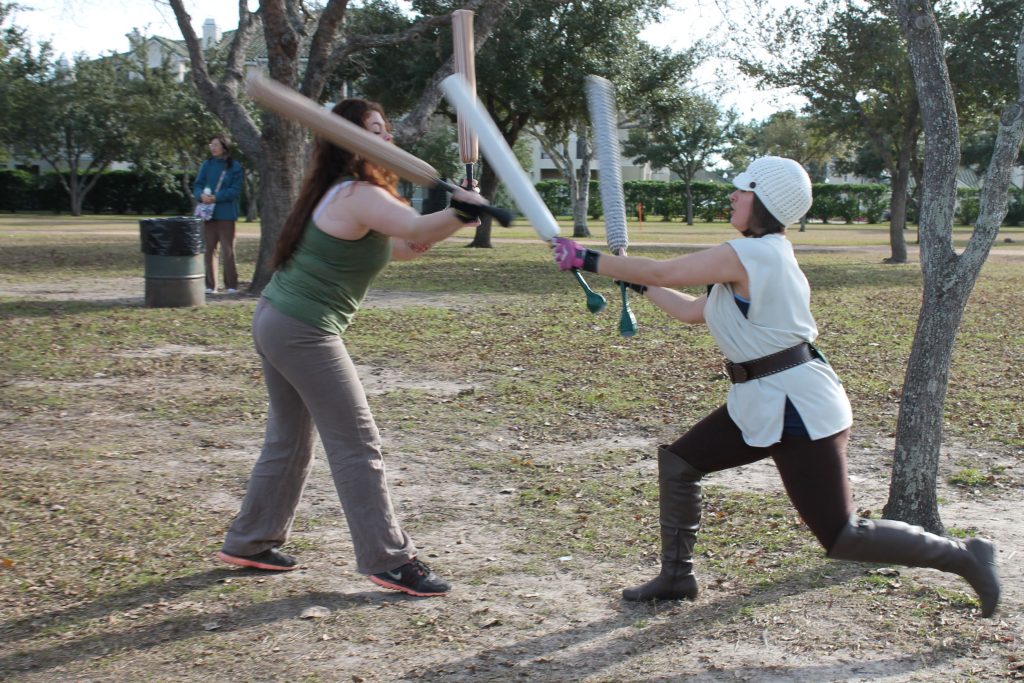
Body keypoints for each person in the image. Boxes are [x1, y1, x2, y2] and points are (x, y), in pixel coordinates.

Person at [550, 156, 1000, 618]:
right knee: (680, 463)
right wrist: (633, 281)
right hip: (762, 397)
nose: (732, 196)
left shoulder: (754, 254)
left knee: (842, 535)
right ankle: (676, 577)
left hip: (794, 405)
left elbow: (664, 272)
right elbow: (689, 309)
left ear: (761, 200)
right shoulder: (758, 259)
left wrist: (587, 257)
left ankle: (965, 555)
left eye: (741, 191)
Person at [216, 98, 488, 597]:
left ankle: (250, 540)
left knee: (289, 438)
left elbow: (405, 247)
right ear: (350, 143)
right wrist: (457, 210)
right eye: (376, 132)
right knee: (356, 442)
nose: (387, 141)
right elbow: (413, 228)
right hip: (302, 328)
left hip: (279, 320)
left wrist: (457, 216)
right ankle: (389, 559)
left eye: (386, 131)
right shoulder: (358, 193)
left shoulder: (350, 193)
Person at [193, 134, 245, 294]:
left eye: (216, 144)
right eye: (211, 144)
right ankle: (210, 285)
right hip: (208, 215)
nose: (213, 147)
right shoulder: (206, 165)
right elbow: (198, 184)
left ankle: (231, 285)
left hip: (226, 213)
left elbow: (235, 190)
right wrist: (200, 195)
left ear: (224, 147)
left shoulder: (235, 167)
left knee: (227, 250)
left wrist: (216, 197)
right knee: (209, 249)